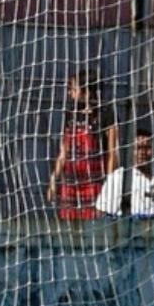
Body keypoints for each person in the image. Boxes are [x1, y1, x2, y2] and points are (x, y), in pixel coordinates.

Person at [45, 71, 119, 220]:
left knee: (93, 224)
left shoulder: (106, 113)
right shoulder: (70, 113)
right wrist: (53, 180)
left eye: (73, 89)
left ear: (86, 90)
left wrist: (109, 186)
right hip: (70, 183)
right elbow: (63, 152)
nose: (69, 93)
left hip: (94, 183)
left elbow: (112, 153)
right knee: (69, 224)